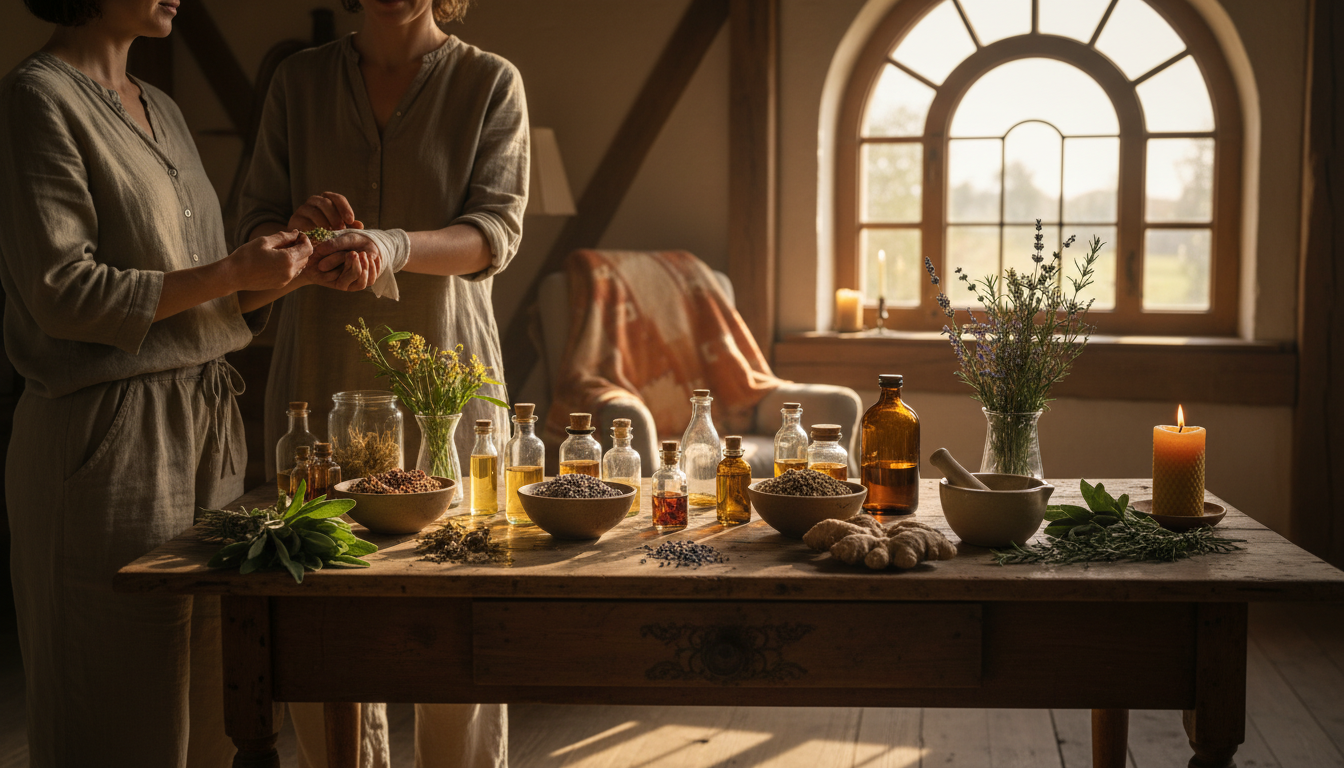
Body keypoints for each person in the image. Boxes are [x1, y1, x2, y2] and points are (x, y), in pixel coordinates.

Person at [0, 2, 379, 766]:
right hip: (107, 439)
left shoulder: (162, 107)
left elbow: (202, 290)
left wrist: (292, 267)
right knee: (118, 715)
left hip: (206, 427)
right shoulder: (37, 98)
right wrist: (236, 269)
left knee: (216, 705)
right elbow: (62, 293)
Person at [236, 0, 529, 765]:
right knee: (319, 596)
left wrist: (391, 245)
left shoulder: (490, 82)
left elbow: (495, 233)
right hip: (318, 371)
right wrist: (297, 232)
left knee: (457, 599)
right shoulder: (297, 82)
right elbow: (254, 229)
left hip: (444, 380)